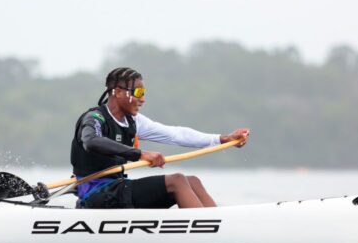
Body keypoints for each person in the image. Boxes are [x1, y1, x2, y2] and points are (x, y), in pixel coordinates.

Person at [71, 67, 249, 209]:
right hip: (94, 194)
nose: (143, 99)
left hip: (117, 188)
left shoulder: (133, 121)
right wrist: (140, 154)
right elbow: (92, 141)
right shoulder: (95, 118)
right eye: (138, 92)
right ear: (117, 92)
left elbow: (175, 134)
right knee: (177, 180)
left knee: (192, 181)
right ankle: (209, 234)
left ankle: (218, 224)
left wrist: (222, 139)